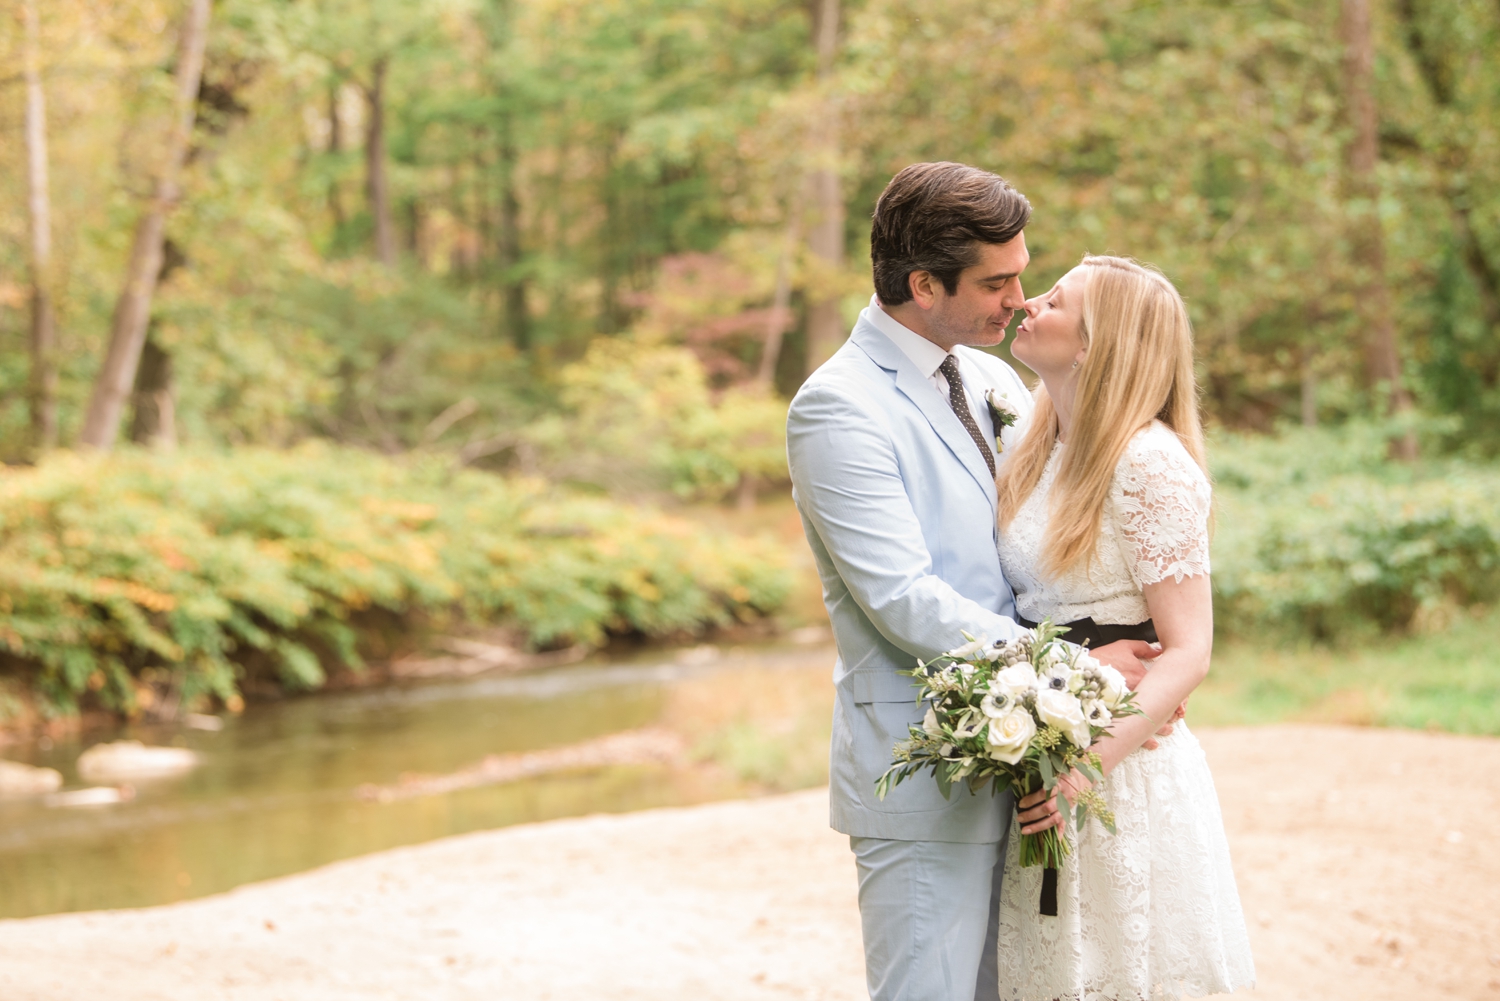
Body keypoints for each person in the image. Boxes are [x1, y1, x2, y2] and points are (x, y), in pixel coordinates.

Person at [786, 162, 1159, 1001]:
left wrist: (1123, 663)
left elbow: (1046, 548)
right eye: (998, 281)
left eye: (1024, 276)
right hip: (925, 770)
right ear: (924, 283)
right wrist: (1078, 667)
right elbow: (900, 597)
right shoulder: (838, 407)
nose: (1020, 299)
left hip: (1032, 764)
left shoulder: (991, 377)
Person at [992, 255, 1256, 999]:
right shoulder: (1033, 447)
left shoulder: (1148, 462)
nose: (1028, 304)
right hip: (1041, 750)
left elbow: (1188, 648)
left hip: (1120, 772)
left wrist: (1081, 774)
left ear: (1093, 345)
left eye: (1055, 300)